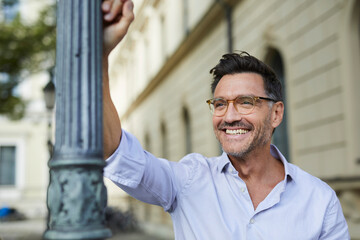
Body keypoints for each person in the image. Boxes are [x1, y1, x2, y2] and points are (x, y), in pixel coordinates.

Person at [101, 0, 350, 239]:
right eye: (220, 104)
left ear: (276, 113)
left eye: (246, 102)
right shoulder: (188, 181)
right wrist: (101, 55)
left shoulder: (320, 201)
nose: (229, 117)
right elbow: (118, 153)